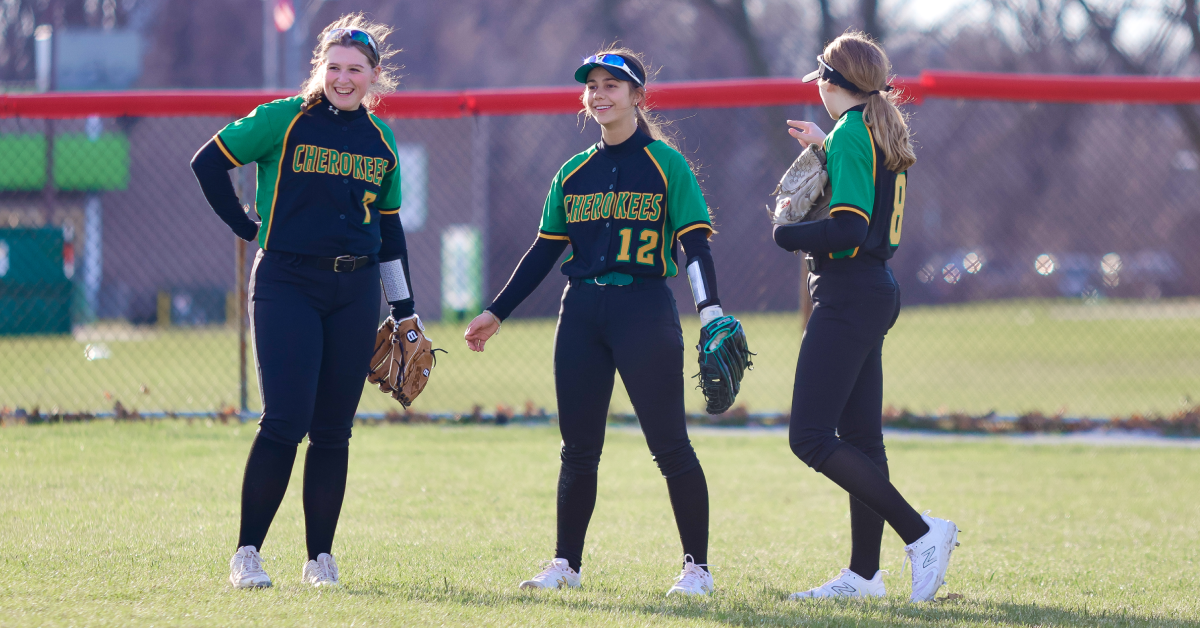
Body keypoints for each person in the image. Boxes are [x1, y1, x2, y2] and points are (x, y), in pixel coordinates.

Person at [463, 48, 725, 597]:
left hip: (644, 310)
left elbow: (694, 244)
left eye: (614, 84)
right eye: (593, 86)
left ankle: (696, 568)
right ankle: (566, 565)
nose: (601, 93)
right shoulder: (572, 172)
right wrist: (496, 310)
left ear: (638, 97)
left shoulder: (666, 164)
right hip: (581, 312)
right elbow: (544, 251)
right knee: (578, 448)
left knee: (670, 444)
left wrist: (710, 310)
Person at [190, 14, 416, 589]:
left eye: (355, 69)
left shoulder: (382, 140)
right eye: (334, 67)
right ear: (321, 69)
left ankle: (320, 559)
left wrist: (404, 310)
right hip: (287, 281)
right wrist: (246, 226)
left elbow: (389, 234)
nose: (343, 78)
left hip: (356, 288)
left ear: (374, 77)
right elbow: (208, 162)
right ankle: (247, 554)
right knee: (285, 419)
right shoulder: (284, 118)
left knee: (335, 429)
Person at [774, 32, 958, 602]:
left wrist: (789, 234)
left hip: (850, 291)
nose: (818, 90)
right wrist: (827, 145)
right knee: (860, 437)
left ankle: (921, 533)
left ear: (833, 83)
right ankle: (863, 575)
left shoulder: (855, 133)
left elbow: (850, 227)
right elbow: (865, 195)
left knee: (808, 437)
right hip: (871, 289)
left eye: (821, 81)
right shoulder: (868, 129)